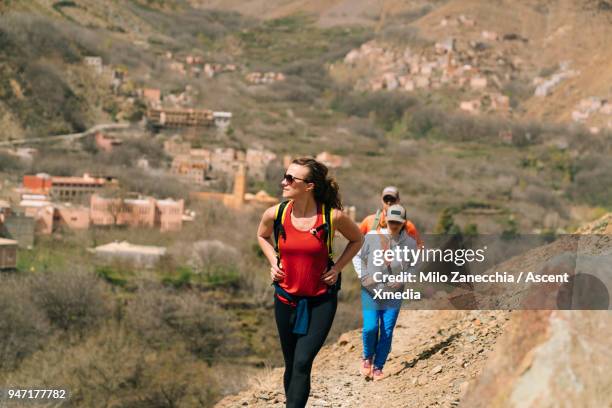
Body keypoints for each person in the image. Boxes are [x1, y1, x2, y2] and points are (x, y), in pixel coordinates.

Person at [257, 157, 363, 408]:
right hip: (285, 298)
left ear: (309, 186)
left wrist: (337, 268)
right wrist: (274, 262)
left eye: (291, 179)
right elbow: (261, 236)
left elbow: (357, 239)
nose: (284, 182)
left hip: (320, 301)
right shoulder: (276, 213)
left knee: (303, 362)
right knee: (292, 362)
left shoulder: (332, 217)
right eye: (285, 176)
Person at [353, 204, 417, 380]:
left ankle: (378, 367)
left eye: (398, 222)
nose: (394, 225)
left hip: (393, 293)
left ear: (403, 223)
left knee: (387, 330)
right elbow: (357, 256)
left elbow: (414, 266)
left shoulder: (410, 243)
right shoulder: (371, 237)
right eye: (391, 221)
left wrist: (402, 279)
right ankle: (367, 357)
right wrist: (364, 277)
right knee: (370, 327)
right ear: (385, 220)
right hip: (370, 290)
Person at [359, 186, 423, 248]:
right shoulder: (369, 221)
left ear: (398, 200)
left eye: (392, 199)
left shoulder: (408, 226)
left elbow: (418, 248)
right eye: (386, 199)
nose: (389, 202)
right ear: (381, 200)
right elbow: (357, 242)